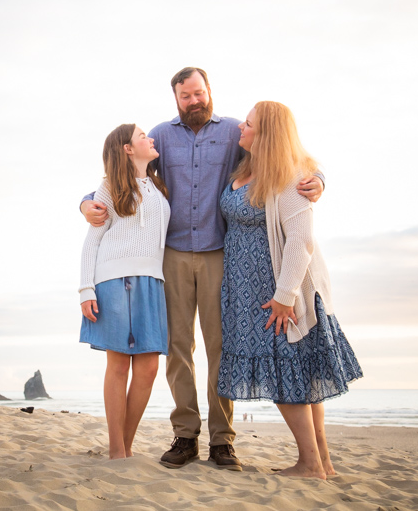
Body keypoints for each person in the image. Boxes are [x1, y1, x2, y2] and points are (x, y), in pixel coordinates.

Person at [81, 68, 324, 470]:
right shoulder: (159, 135)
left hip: (218, 253)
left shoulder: (234, 132)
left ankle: (222, 440)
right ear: (175, 98)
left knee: (220, 347)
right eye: (185, 96)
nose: (194, 101)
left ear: (209, 91)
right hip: (171, 256)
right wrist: (87, 200)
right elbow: (126, 174)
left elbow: (286, 157)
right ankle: (185, 434)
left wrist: (319, 179)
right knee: (178, 348)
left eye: (199, 93)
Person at [218, 101, 362, 478]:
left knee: (287, 372)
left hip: (276, 291)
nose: (240, 130)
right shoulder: (247, 166)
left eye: (248, 125)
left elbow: (301, 241)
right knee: (297, 373)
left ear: (266, 135)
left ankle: (311, 462)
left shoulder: (290, 176)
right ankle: (321, 462)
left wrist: (285, 297)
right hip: (247, 290)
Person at [79, 123, 171, 460]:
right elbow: (93, 240)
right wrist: (85, 289)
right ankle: (118, 450)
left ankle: (126, 444)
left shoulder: (158, 184)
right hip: (114, 280)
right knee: (118, 367)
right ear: (128, 149)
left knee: (148, 369)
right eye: (142, 136)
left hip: (153, 281)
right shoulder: (108, 188)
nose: (151, 138)